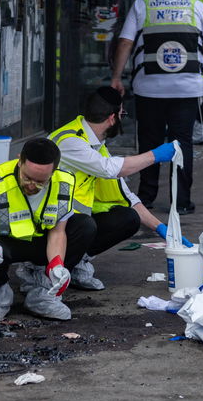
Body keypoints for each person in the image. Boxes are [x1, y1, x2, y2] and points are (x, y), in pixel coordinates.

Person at [49, 87, 189, 291]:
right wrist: (155, 155)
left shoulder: (96, 144)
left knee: (128, 218)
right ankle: (45, 277)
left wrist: (163, 229)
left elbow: (126, 195)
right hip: (49, 224)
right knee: (86, 225)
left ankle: (75, 262)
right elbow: (110, 169)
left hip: (71, 221)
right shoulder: (70, 141)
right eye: (122, 114)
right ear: (113, 118)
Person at [111, 0, 203, 214]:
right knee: (181, 143)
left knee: (150, 143)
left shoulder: (143, 2)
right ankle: (181, 202)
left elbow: (125, 42)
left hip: (149, 87)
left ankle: (146, 198)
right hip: (187, 87)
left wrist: (117, 76)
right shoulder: (194, 4)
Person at [0, 137, 80, 320]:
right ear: (20, 161)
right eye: (27, 178)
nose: (32, 186)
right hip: (4, 247)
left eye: (40, 181)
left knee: (84, 227)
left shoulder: (64, 183)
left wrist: (56, 265)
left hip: (41, 243)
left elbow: (58, 232)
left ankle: (44, 293)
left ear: (53, 172)